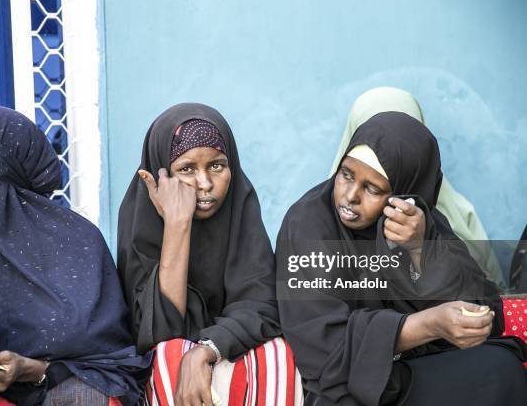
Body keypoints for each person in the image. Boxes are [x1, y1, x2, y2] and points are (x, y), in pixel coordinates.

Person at [277, 111, 526, 405]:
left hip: (421, 364)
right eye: (346, 174)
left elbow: (485, 309)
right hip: (352, 381)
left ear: (405, 192)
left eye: (373, 188)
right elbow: (324, 344)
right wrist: (428, 324)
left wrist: (420, 248)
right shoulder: (308, 222)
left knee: (499, 368)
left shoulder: (421, 222)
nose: (350, 196)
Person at [0, 106, 150, 405]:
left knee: (85, 395)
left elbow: (110, 366)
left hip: (52, 388)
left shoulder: (78, 243)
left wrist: (28, 370)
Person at [117, 103, 302, 405]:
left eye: (216, 165)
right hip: (169, 378)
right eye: (186, 169)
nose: (204, 184)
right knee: (169, 356)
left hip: (232, 358)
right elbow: (161, 335)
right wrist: (178, 225)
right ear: (162, 174)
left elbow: (263, 309)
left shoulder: (241, 214)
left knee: (278, 352)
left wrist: (207, 349)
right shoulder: (142, 228)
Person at [328, 87, 505, 289]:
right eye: (372, 134)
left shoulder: (456, 218)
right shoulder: (318, 220)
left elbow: (483, 297)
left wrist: (421, 248)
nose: (351, 196)